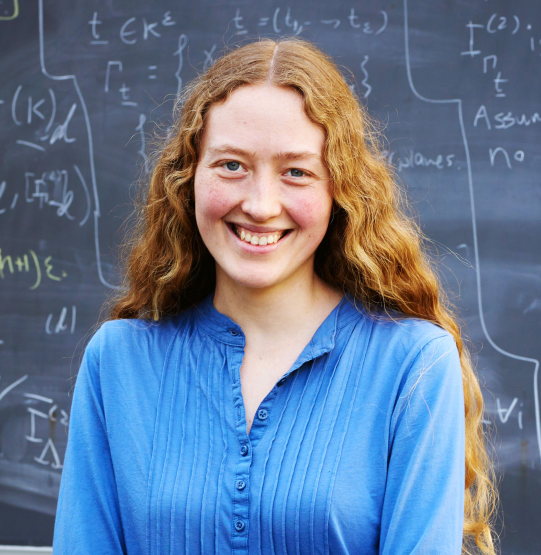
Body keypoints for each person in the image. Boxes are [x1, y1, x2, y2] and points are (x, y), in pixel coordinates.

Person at [52, 38, 496, 554]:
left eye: (297, 172)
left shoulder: (413, 365)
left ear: (340, 190)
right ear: (188, 178)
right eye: (231, 165)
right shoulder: (117, 363)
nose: (261, 204)